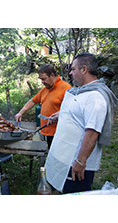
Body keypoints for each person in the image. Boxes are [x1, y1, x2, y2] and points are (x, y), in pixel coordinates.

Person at [45, 53, 118, 194]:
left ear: (84, 69)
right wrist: (63, 114)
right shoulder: (81, 91)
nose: (71, 73)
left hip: (75, 163)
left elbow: (92, 132)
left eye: (73, 69)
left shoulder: (96, 97)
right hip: (63, 156)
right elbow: (81, 112)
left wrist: (80, 161)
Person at [15, 64, 71, 149]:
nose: (42, 82)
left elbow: (71, 108)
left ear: (52, 75)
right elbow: (33, 101)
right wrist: (20, 113)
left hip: (60, 133)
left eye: (44, 79)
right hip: (46, 131)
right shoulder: (45, 89)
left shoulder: (66, 88)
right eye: (41, 79)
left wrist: (59, 113)